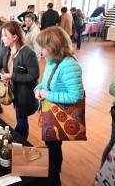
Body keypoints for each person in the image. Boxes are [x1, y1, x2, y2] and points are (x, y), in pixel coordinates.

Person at [34, 26, 84, 173]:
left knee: (54, 148)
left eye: (43, 47)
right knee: (50, 144)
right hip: (51, 112)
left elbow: (76, 95)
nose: (40, 50)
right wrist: (38, 88)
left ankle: (54, 176)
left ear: (53, 46)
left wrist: (47, 94)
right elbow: (47, 82)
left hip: (58, 115)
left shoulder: (68, 64)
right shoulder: (52, 60)